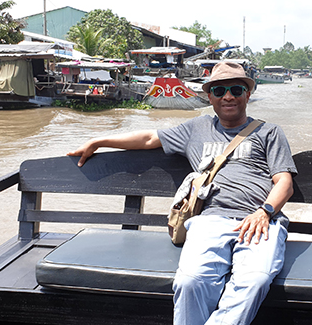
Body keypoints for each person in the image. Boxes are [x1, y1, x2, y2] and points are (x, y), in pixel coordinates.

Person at [69, 61, 297, 325]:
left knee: (255, 280)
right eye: (220, 91)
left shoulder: (268, 132)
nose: (228, 96)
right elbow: (147, 139)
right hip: (211, 219)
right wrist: (99, 141)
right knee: (190, 282)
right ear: (209, 96)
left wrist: (264, 212)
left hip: (259, 221)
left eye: (236, 89)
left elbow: (284, 183)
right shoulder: (196, 129)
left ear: (247, 94)